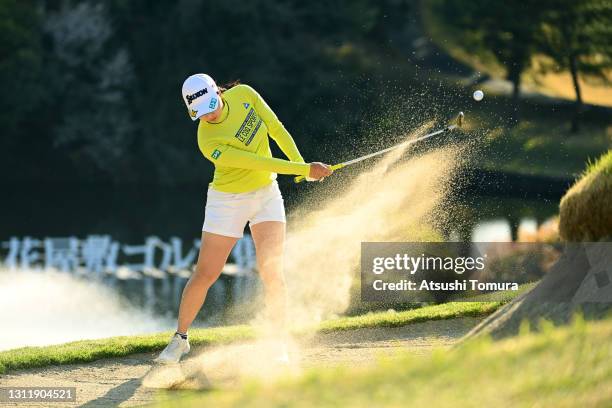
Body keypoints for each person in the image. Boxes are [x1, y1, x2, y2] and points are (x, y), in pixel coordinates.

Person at [155, 73, 333, 363]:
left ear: (218, 93)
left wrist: (302, 166)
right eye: (200, 113)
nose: (208, 116)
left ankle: (278, 343)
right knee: (206, 274)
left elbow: (276, 128)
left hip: (266, 195)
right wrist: (301, 169)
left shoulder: (245, 94)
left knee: (272, 272)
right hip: (228, 201)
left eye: (211, 106)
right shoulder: (207, 139)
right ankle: (181, 339)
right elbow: (256, 161)